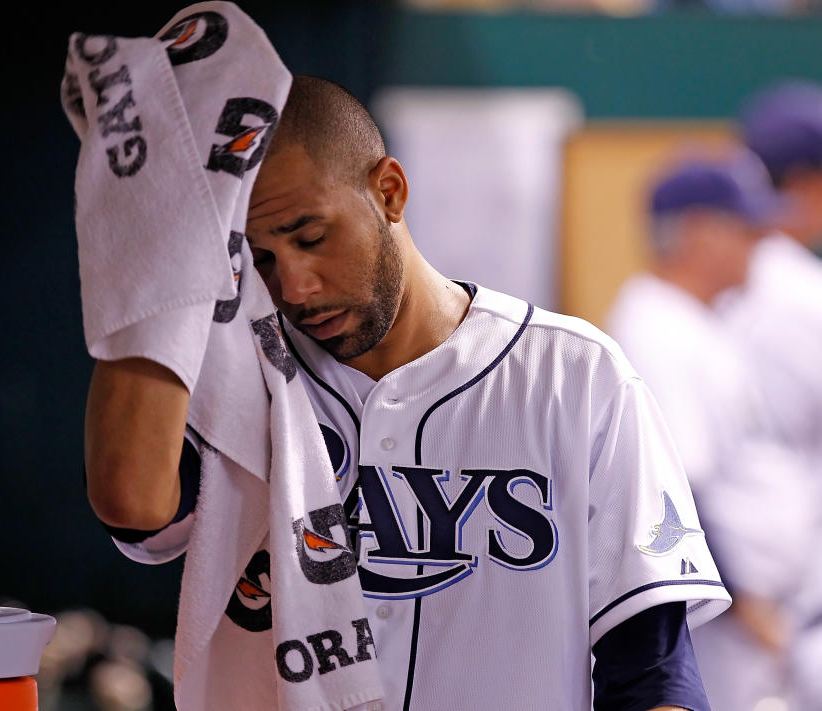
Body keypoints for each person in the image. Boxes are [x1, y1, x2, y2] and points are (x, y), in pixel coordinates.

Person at [85, 76, 730, 711]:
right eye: (261, 259)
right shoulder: (239, 376)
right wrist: (149, 261)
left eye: (312, 238)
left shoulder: (573, 375)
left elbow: (652, 673)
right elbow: (134, 507)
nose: (297, 285)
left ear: (389, 191)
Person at [606, 153, 816, 711]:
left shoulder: (692, 319)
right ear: (699, 232)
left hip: (749, 609)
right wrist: (750, 607)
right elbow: (673, 493)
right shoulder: (657, 331)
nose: (761, 245)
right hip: (717, 618)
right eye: (747, 229)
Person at [722, 79, 822, 710]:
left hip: (712, 556)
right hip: (788, 573)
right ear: (807, 182)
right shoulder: (800, 287)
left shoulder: (717, 274)